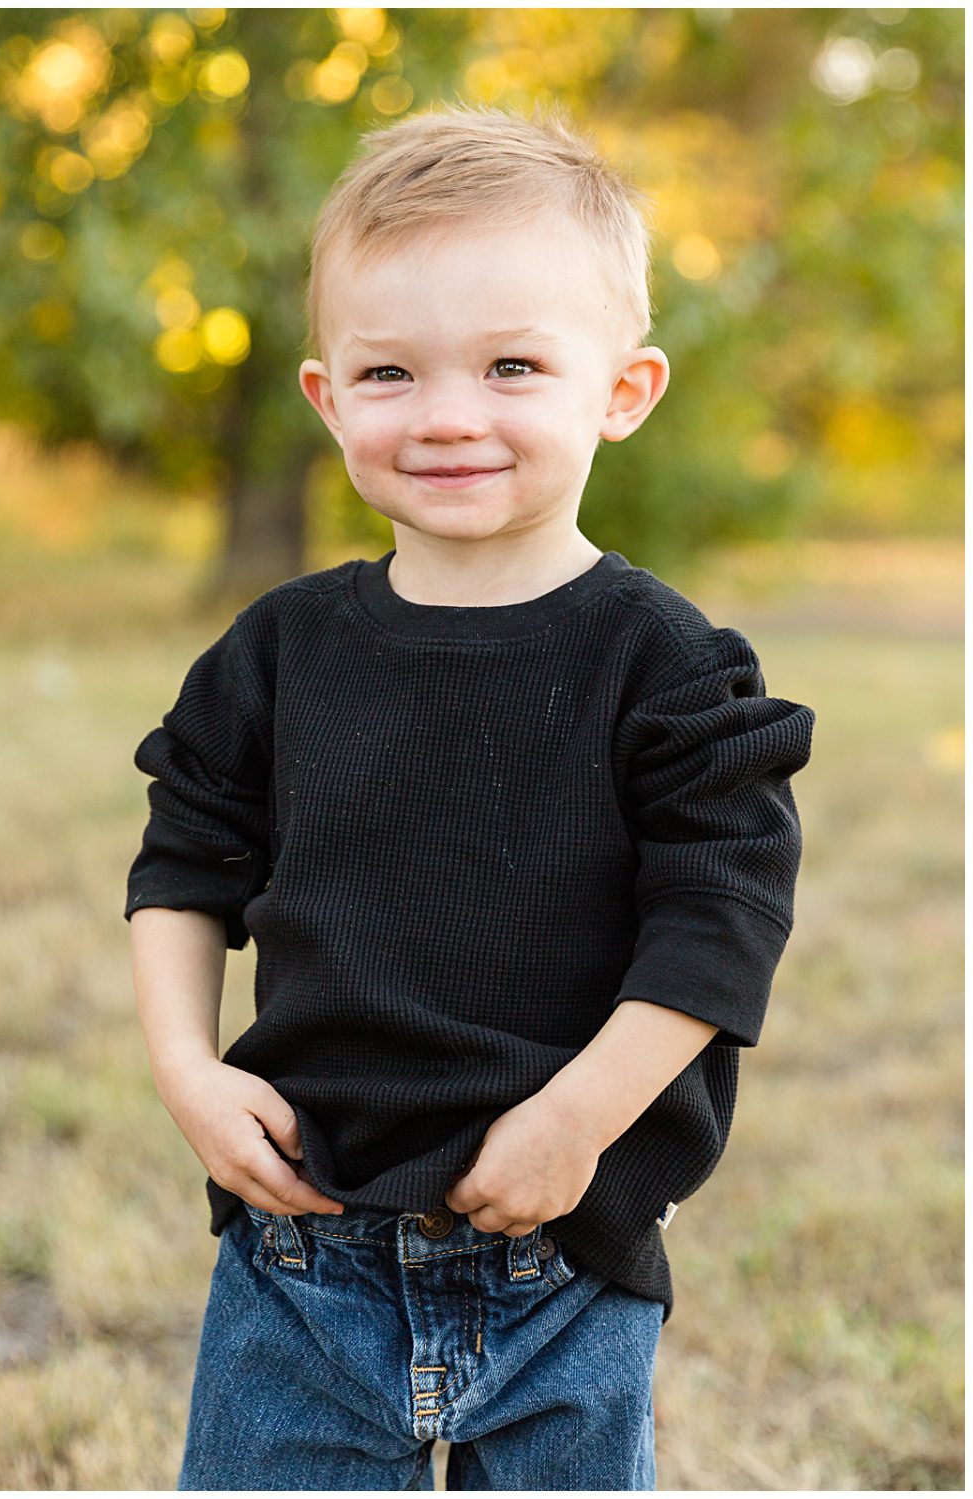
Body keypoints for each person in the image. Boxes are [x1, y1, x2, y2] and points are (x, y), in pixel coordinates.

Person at [128, 107, 813, 1491]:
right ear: (328, 397)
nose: (447, 414)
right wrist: (190, 1070)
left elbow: (718, 919)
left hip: (565, 1242)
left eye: (512, 364)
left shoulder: (664, 662)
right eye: (390, 370)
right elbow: (182, 864)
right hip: (302, 1247)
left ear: (620, 389)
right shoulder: (279, 650)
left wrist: (579, 1117)